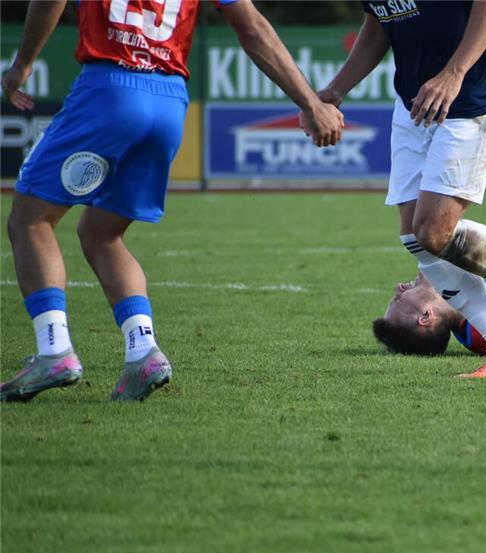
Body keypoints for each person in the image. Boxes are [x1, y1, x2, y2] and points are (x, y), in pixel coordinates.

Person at [0, 0, 344, 402]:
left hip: (109, 89)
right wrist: (310, 103)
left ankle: (53, 349)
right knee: (102, 234)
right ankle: (143, 351)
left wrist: (23, 64)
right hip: (168, 100)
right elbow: (253, 28)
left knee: (30, 221)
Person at [318, 0, 486, 379]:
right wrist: (335, 91)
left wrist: (454, 72)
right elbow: (378, 23)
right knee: (414, 238)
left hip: (471, 91)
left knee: (433, 232)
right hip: (413, 100)